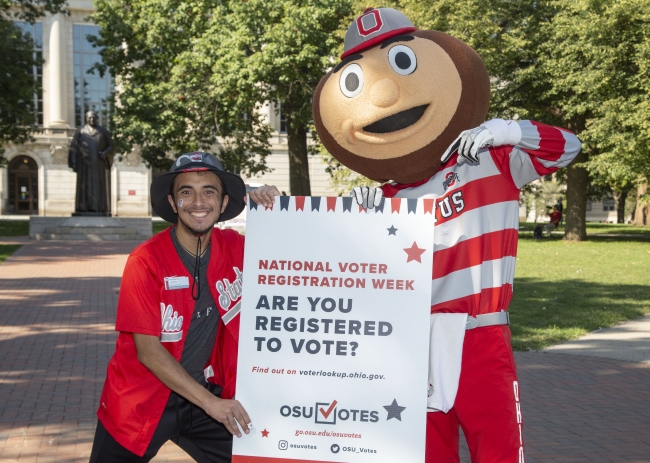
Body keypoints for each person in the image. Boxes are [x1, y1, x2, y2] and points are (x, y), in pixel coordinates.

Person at [304, 7, 582, 462]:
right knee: (426, 453)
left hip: (478, 333)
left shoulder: (490, 161)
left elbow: (569, 147)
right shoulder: (384, 198)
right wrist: (357, 222)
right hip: (408, 340)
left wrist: (507, 130)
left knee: (498, 452)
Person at [90, 152, 252, 463]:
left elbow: (294, 249)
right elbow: (148, 351)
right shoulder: (145, 261)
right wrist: (212, 404)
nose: (198, 201)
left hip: (201, 391)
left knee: (254, 455)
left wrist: (269, 206)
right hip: (142, 397)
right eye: (186, 191)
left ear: (223, 201)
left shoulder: (236, 247)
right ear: (173, 201)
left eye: (209, 191)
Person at [68, 111, 115, 215]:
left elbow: (111, 146)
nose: (92, 120)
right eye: (89, 118)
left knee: (98, 185)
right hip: (84, 164)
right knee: (84, 186)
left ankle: (100, 208)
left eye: (94, 118)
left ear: (97, 118)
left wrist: (104, 153)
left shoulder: (103, 131)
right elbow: (74, 147)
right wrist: (74, 162)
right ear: (86, 118)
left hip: (98, 164)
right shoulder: (80, 131)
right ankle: (83, 208)